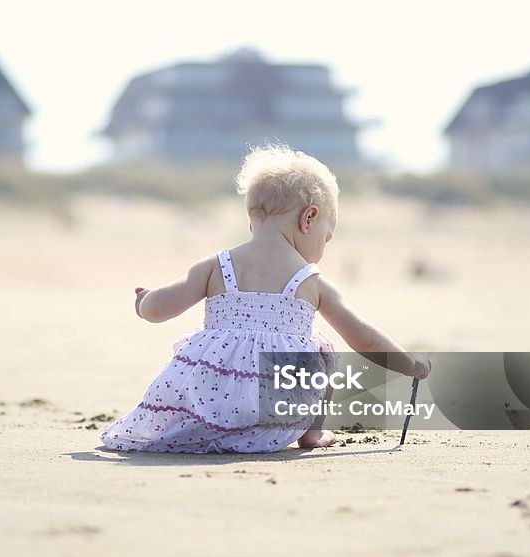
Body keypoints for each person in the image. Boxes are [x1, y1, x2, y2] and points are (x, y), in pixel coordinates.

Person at [99, 144, 431, 453]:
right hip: (276, 416)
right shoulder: (311, 282)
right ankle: (311, 433)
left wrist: (143, 301)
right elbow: (366, 339)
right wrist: (410, 364)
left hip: (210, 404)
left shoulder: (216, 266)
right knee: (325, 353)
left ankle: (202, 424)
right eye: (326, 238)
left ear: (252, 217)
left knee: (198, 357)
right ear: (309, 218)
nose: (323, 248)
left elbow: (159, 309)